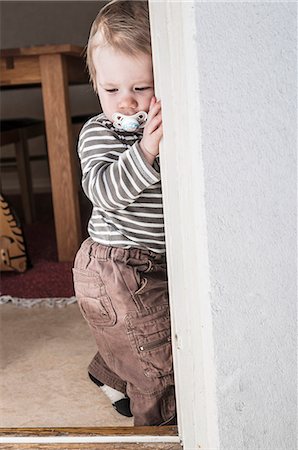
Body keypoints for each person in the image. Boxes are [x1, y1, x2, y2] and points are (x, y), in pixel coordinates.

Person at [72, 0, 176, 426]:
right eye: (112, 90)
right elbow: (104, 191)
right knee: (159, 362)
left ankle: (109, 372)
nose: (127, 103)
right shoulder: (98, 132)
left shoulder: (163, 125)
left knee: (134, 336)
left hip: (147, 261)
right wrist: (145, 152)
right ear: (96, 83)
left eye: (141, 88)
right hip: (115, 267)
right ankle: (161, 430)